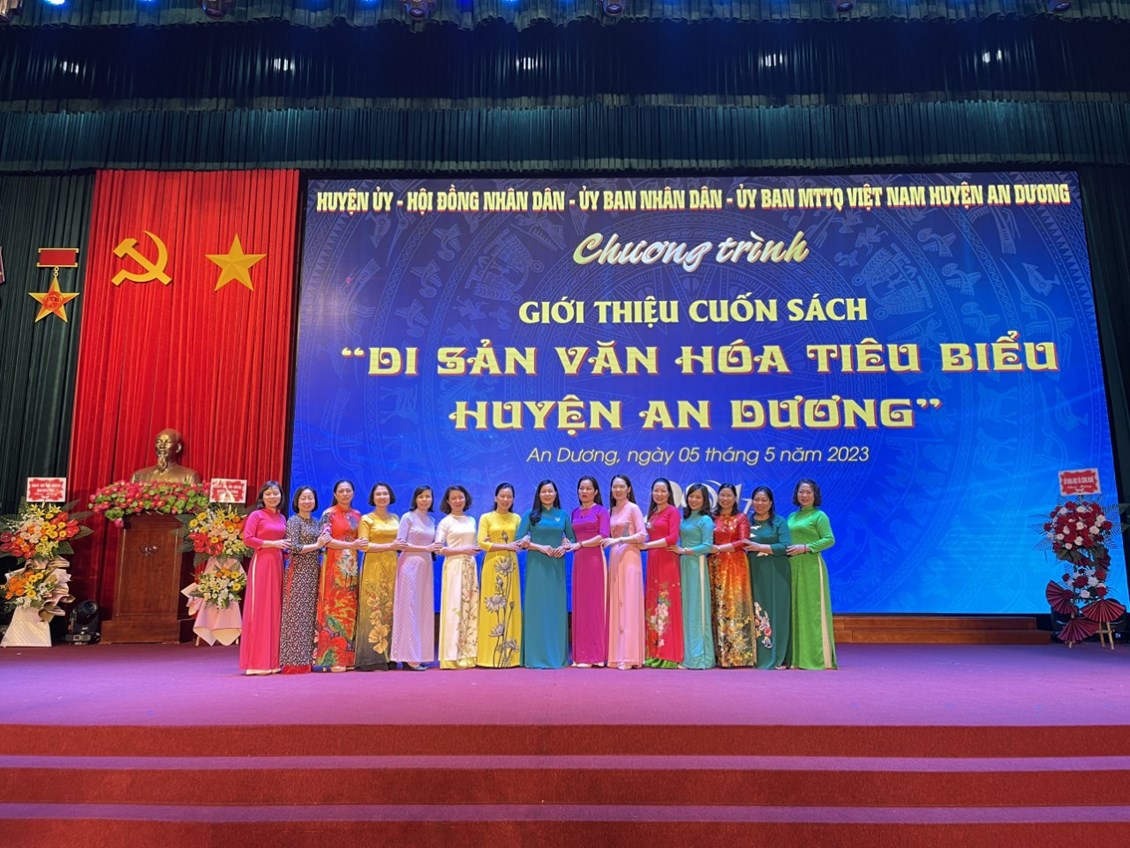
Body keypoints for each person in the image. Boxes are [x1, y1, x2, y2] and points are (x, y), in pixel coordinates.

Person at [518, 479, 576, 669]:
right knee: (536, 608)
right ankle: (534, 656)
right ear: (539, 494)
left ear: (556, 493)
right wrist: (540, 547)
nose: (547, 494)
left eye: (550, 491)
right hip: (536, 566)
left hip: (556, 566)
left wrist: (564, 547)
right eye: (543, 491)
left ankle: (556, 656)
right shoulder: (530, 515)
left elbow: (571, 539)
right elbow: (519, 540)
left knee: (555, 609)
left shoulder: (563, 515)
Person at [313, 479, 365, 672]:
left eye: (348, 490)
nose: (345, 494)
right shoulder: (329, 514)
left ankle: (348, 658)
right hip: (334, 566)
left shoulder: (358, 515)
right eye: (341, 491)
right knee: (333, 608)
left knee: (350, 610)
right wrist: (351, 545)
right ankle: (332, 658)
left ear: (353, 493)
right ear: (335, 494)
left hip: (352, 567)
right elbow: (325, 540)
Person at [786, 478, 837, 670]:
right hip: (792, 566)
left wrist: (806, 547)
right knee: (795, 609)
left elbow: (829, 539)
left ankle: (818, 658)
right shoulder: (792, 516)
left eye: (808, 492)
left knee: (811, 610)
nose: (805, 495)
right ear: (796, 494)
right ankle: (797, 658)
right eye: (801, 492)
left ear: (815, 495)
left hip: (811, 566)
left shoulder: (819, 516)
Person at [279, 485, 330, 674]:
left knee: (310, 617)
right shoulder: (294, 521)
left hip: (314, 571)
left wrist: (323, 546)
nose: (307, 501)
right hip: (298, 572)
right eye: (303, 498)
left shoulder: (317, 522)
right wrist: (317, 545)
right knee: (295, 616)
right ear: (297, 501)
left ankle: (308, 659)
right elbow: (293, 547)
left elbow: (322, 546)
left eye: (310, 498)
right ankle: (292, 661)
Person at [240, 480, 289, 675]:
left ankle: (272, 661)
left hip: (277, 563)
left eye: (275, 493)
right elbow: (248, 539)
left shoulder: (282, 517)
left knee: (274, 610)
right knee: (260, 610)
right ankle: (255, 662)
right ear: (262, 497)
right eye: (268, 494)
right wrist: (272, 544)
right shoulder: (256, 515)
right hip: (262, 563)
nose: (272, 497)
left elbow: (284, 544)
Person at [391, 485, 442, 670]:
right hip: (409, 565)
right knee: (409, 609)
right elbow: (401, 544)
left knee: (422, 609)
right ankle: (408, 657)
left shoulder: (431, 520)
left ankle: (419, 654)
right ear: (415, 499)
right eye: (421, 496)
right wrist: (425, 548)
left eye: (428, 496)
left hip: (426, 566)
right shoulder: (408, 517)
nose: (424, 499)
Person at [710, 482, 757, 668]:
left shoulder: (741, 518)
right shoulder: (712, 517)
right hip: (714, 566)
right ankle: (718, 654)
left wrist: (720, 548)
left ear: (735, 498)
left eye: (729, 495)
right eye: (722, 495)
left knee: (735, 606)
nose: (725, 499)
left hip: (735, 567)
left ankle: (738, 655)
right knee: (717, 607)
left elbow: (744, 541)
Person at [476, 482, 522, 668]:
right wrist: (506, 545)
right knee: (492, 607)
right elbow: (481, 543)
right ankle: (488, 656)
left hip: (511, 565)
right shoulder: (486, 517)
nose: (505, 499)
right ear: (495, 498)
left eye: (509, 496)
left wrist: (514, 544)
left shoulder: (517, 518)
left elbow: (521, 541)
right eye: (502, 496)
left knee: (510, 605)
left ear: (513, 499)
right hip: (492, 564)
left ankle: (510, 656)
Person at [604, 473, 646, 670]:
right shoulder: (611, 510)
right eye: (615, 487)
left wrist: (620, 540)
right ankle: (616, 655)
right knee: (616, 603)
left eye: (621, 486)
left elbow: (642, 535)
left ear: (628, 489)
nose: (618, 490)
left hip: (630, 557)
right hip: (614, 557)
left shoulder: (633, 508)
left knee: (629, 603)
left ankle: (630, 656)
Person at [747, 485, 792, 669]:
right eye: (756, 500)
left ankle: (777, 656)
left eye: (764, 500)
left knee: (776, 611)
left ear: (771, 502)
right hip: (752, 571)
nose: (760, 503)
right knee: (754, 610)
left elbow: (786, 546)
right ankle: (755, 655)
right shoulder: (746, 521)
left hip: (776, 572)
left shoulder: (779, 522)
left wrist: (760, 547)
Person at [356, 482, 400, 672]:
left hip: (393, 566)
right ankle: (370, 658)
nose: (382, 497)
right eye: (378, 494)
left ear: (390, 496)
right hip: (373, 566)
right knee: (373, 608)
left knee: (390, 609)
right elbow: (363, 546)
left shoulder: (396, 518)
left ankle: (390, 656)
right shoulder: (367, 519)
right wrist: (390, 546)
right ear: (373, 498)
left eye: (385, 494)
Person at [673, 483, 717, 669]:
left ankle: (701, 658)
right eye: (691, 496)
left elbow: (707, 546)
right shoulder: (685, 518)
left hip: (696, 564)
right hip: (683, 565)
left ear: (705, 500)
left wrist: (685, 550)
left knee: (697, 610)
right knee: (685, 609)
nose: (694, 500)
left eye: (698, 497)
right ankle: (687, 655)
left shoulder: (705, 520)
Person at [436, 485, 480, 669]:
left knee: (471, 608)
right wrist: (463, 550)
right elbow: (438, 548)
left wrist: (473, 549)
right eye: (453, 498)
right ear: (448, 501)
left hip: (470, 565)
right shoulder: (445, 522)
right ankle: (451, 656)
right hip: (454, 566)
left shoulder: (471, 520)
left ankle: (469, 654)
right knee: (454, 608)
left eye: (460, 497)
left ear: (465, 498)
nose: (457, 501)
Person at [643, 477, 683, 668]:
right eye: (656, 491)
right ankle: (654, 652)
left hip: (667, 561)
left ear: (669, 493)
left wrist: (647, 545)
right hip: (652, 561)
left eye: (663, 491)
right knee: (653, 604)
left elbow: (672, 538)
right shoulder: (652, 514)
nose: (659, 494)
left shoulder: (672, 512)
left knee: (666, 603)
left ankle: (668, 654)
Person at [571, 475, 610, 667]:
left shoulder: (602, 511)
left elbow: (603, 536)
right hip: (579, 561)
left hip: (595, 560)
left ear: (595, 491)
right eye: (581, 488)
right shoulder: (574, 512)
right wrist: (569, 543)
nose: (584, 491)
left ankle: (597, 655)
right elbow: (571, 537)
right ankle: (581, 655)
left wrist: (580, 544)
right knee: (581, 607)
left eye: (588, 488)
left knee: (595, 606)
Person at [131, 428, 201, 484]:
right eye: (159, 442)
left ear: (178, 448)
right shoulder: (139, 475)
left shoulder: (189, 476)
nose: (162, 446)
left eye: (168, 442)